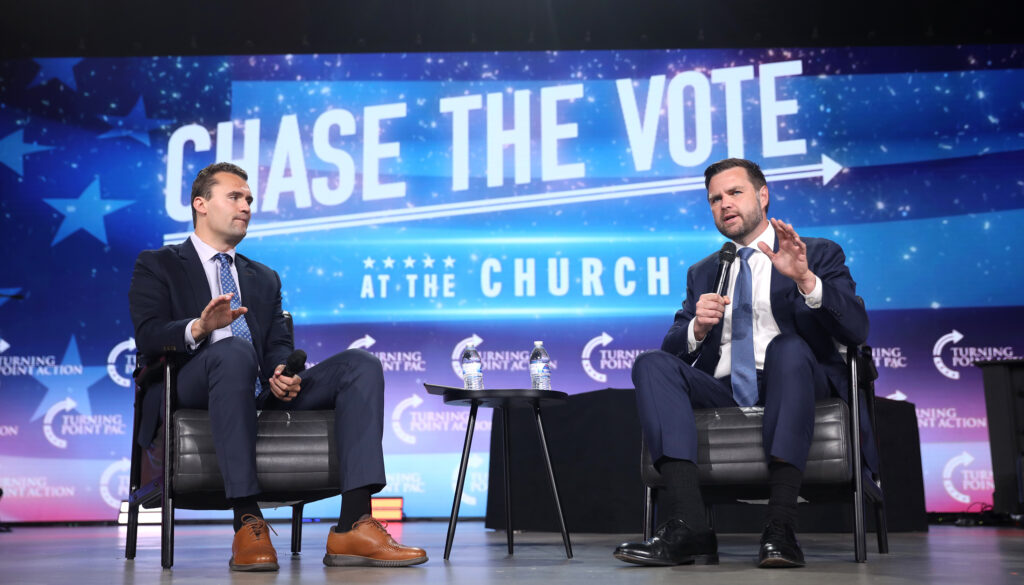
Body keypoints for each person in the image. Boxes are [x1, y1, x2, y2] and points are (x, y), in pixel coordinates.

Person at [129, 162, 427, 572]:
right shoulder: (159, 263)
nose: (246, 205)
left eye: (249, 199)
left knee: (360, 365)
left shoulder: (264, 278)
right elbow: (147, 335)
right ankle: (248, 523)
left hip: (255, 387)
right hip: (192, 380)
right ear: (201, 203)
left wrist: (281, 373)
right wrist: (199, 327)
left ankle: (354, 525)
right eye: (234, 196)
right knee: (232, 351)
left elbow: (277, 349)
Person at [613, 158, 870, 568]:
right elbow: (673, 346)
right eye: (715, 199)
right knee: (651, 364)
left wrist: (806, 280)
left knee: (787, 348)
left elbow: (857, 329)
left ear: (762, 196)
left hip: (798, 379)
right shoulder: (704, 272)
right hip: (726, 387)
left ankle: (780, 527)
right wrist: (697, 326)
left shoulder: (816, 252)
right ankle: (689, 526)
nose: (724, 204)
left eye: (735, 193)